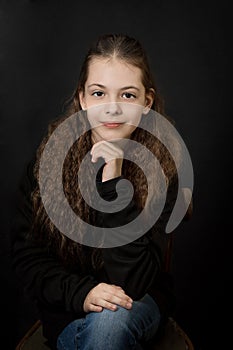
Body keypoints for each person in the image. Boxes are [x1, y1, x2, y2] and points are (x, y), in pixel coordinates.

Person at [11, 33, 188, 350]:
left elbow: (133, 283)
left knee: (112, 318)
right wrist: (83, 294)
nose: (112, 109)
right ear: (82, 99)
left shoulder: (165, 169)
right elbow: (29, 261)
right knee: (103, 327)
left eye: (128, 96)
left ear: (146, 103)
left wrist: (112, 181)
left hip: (140, 303)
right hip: (69, 311)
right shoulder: (47, 163)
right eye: (98, 93)